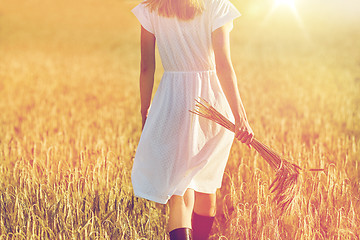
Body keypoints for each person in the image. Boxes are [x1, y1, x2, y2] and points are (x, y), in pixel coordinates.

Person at [131, 0, 254, 239]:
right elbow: (223, 65)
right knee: (206, 189)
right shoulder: (217, 5)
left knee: (180, 188)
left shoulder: (151, 9)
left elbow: (147, 67)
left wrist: (145, 111)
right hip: (213, 106)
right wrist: (241, 117)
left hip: (172, 101)